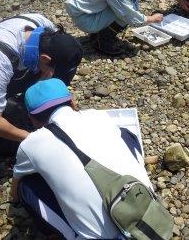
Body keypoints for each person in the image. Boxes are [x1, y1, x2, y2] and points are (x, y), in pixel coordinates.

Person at [11, 78, 154, 238]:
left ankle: (64, 234)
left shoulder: (30, 144)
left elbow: (15, 193)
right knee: (125, 134)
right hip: (151, 216)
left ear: (33, 119)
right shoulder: (98, 116)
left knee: (26, 186)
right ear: (72, 102)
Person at [0, 13, 83, 155]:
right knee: (13, 119)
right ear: (45, 59)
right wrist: (35, 139)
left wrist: (66, 96)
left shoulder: (44, 26)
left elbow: (64, 61)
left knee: (59, 73)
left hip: (11, 63)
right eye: (52, 69)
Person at [66, 0, 164, 55]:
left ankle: (98, 34)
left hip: (83, 10)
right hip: (86, 18)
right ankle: (102, 41)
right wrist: (152, 19)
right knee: (124, 13)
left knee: (125, 6)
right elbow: (129, 16)